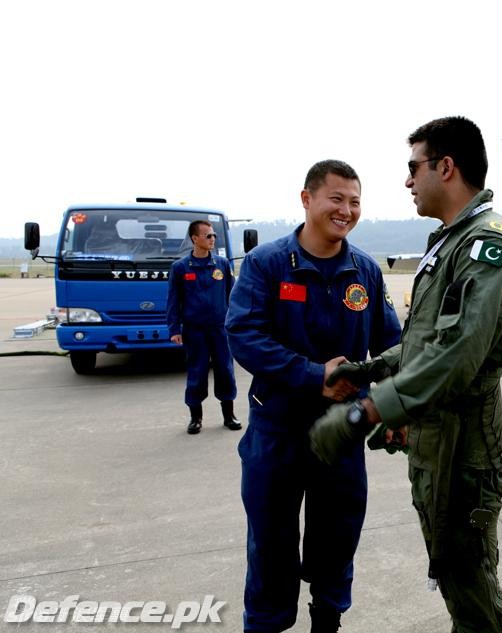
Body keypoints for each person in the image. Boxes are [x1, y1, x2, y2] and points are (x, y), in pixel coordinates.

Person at [308, 116, 502, 633]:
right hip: (439, 442)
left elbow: (455, 359)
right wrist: (367, 370)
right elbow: (420, 346)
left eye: (414, 168)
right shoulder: (450, 244)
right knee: (456, 581)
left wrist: (368, 410)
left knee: (473, 591)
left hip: (466, 450)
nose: (408, 180)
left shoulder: (487, 249)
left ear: (446, 167)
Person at [225, 159, 402, 633]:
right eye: (337, 199)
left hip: (342, 433)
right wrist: (310, 375)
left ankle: (328, 621)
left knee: (337, 536)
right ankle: (265, 624)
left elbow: (392, 346)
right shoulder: (266, 264)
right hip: (277, 431)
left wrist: (400, 403)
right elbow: (243, 333)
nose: (346, 210)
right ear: (307, 200)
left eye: (355, 202)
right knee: (271, 540)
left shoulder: (364, 270)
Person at [166, 219, 241, 434]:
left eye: (214, 235)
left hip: (220, 329)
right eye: (208, 235)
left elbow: (232, 296)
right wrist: (174, 329)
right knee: (196, 372)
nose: (213, 239)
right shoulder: (180, 268)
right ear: (194, 239)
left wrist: (237, 323)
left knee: (225, 370)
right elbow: (173, 301)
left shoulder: (222, 264)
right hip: (194, 330)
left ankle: (229, 415)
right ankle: (196, 418)